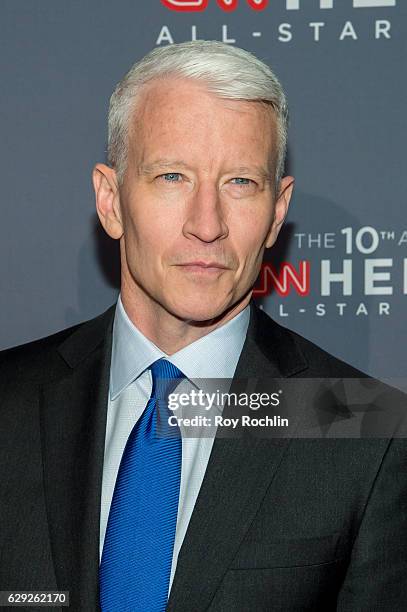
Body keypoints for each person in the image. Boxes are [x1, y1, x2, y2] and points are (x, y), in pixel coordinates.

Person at [0, 40, 406, 612]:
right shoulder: (9, 403)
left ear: (277, 211)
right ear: (111, 201)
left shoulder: (371, 431)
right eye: (172, 176)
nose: (207, 224)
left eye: (240, 182)